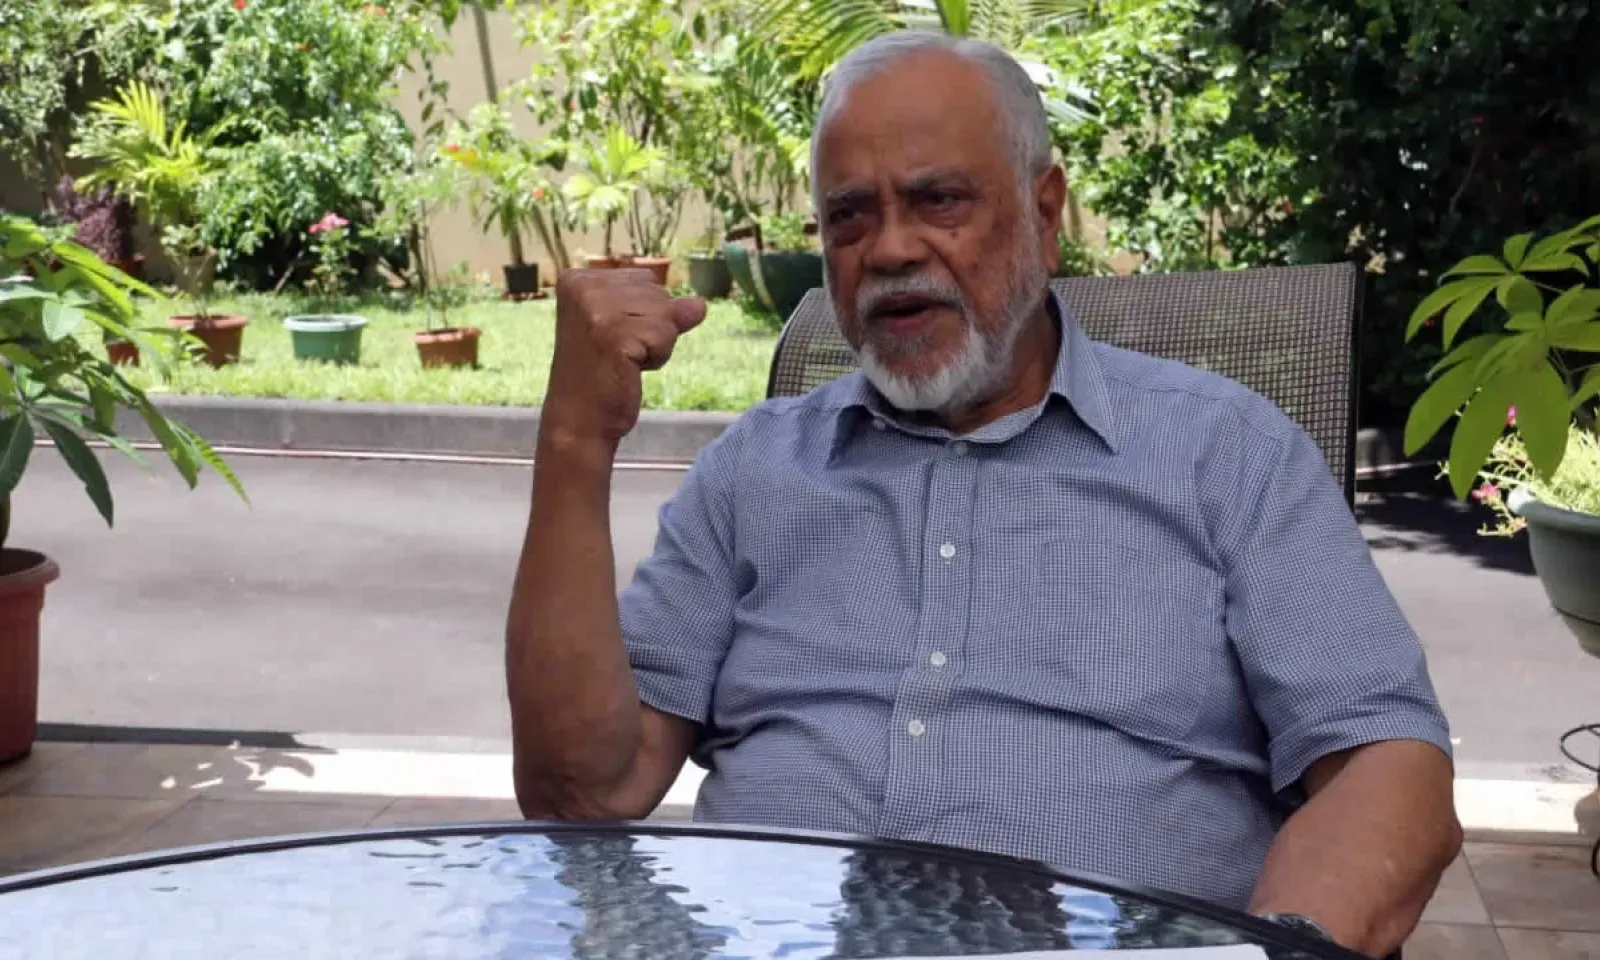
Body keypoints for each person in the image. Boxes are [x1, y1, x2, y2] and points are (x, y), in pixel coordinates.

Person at [505, 30, 1461, 959]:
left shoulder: (1228, 455)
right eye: (850, 216)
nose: (890, 248)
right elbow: (583, 795)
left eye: (939, 200)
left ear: (1045, 214)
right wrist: (576, 442)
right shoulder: (754, 471)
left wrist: (1276, 952)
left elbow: (1388, 764)